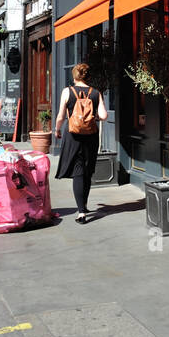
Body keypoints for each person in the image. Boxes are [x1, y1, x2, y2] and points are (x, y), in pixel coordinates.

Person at [54, 63, 108, 223]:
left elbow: (60, 115)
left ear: (74, 76)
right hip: (91, 135)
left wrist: (57, 130)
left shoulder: (67, 91)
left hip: (73, 135)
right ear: (88, 76)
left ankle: (81, 212)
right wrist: (93, 115)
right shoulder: (96, 93)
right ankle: (83, 204)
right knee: (87, 171)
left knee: (78, 171)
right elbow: (104, 116)